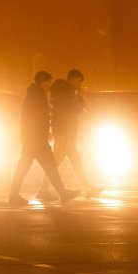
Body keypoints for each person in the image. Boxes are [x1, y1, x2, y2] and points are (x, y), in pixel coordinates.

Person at [9, 71, 80, 206]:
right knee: (48, 167)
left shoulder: (35, 96)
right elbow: (34, 119)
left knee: (30, 167)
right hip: (37, 139)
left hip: (33, 139)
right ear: (42, 83)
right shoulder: (37, 98)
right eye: (49, 82)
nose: (50, 85)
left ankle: (15, 194)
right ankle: (62, 193)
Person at [37, 68, 102, 200]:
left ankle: (88, 187)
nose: (79, 85)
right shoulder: (65, 91)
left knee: (73, 160)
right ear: (72, 80)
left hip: (66, 130)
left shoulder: (65, 91)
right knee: (56, 161)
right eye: (78, 82)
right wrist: (80, 101)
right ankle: (42, 190)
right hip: (63, 130)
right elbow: (72, 110)